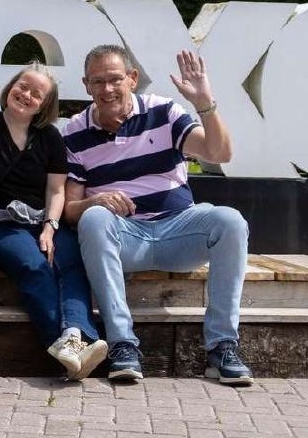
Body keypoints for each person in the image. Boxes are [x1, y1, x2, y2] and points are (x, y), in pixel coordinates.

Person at [63, 44, 253, 386]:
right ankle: (122, 344)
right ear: (86, 85)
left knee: (230, 221)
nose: (107, 89)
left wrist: (204, 104)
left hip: (178, 230)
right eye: (97, 82)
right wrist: (97, 202)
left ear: (132, 78)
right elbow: (69, 210)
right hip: (124, 239)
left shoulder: (164, 112)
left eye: (115, 79)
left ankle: (222, 346)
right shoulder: (74, 132)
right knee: (92, 219)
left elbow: (219, 152)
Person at [0, 63, 108, 381]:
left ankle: (75, 334)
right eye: (22, 86)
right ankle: (60, 342)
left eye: (36, 93)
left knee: (71, 259)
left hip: (40, 223)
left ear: (44, 104)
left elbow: (56, 191)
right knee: (34, 264)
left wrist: (50, 227)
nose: (26, 95)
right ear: (10, 87)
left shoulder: (49, 138)